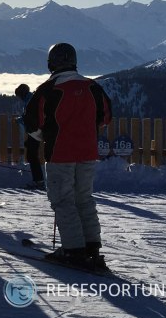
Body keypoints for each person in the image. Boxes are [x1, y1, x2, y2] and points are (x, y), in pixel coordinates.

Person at [24, 42, 113, 269]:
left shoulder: (48, 90)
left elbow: (32, 123)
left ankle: (73, 249)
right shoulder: (93, 87)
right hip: (87, 153)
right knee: (84, 198)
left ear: (51, 63)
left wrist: (42, 136)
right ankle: (91, 246)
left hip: (60, 154)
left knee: (63, 201)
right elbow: (105, 117)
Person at [16, 83, 45, 189]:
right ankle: (39, 180)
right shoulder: (32, 99)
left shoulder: (29, 102)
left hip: (35, 131)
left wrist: (20, 120)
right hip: (36, 130)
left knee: (32, 156)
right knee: (32, 155)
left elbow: (29, 117)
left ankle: (39, 180)